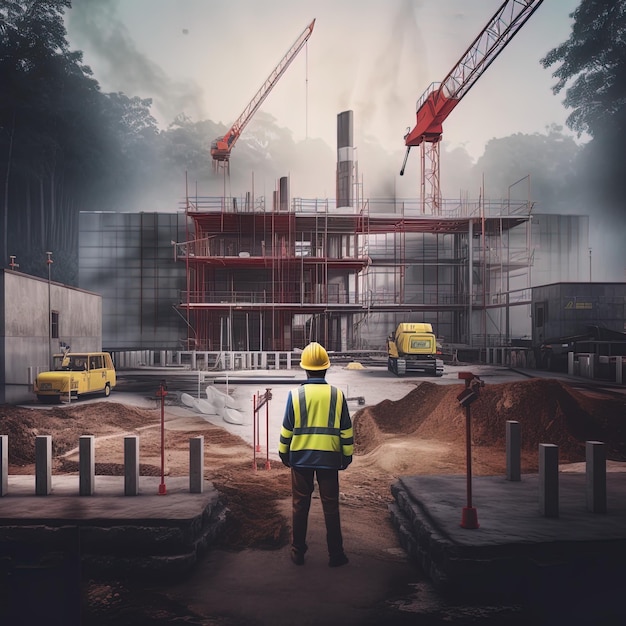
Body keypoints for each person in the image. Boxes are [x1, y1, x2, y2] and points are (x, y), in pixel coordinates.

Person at [278, 341, 354, 567]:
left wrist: (284, 455)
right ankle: (336, 555)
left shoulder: (295, 395)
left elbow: (286, 430)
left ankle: (297, 552)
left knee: (300, 506)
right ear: (326, 367)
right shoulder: (337, 396)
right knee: (331, 507)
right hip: (330, 459)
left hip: (301, 459)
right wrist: (346, 456)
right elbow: (346, 431)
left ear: (305, 368)